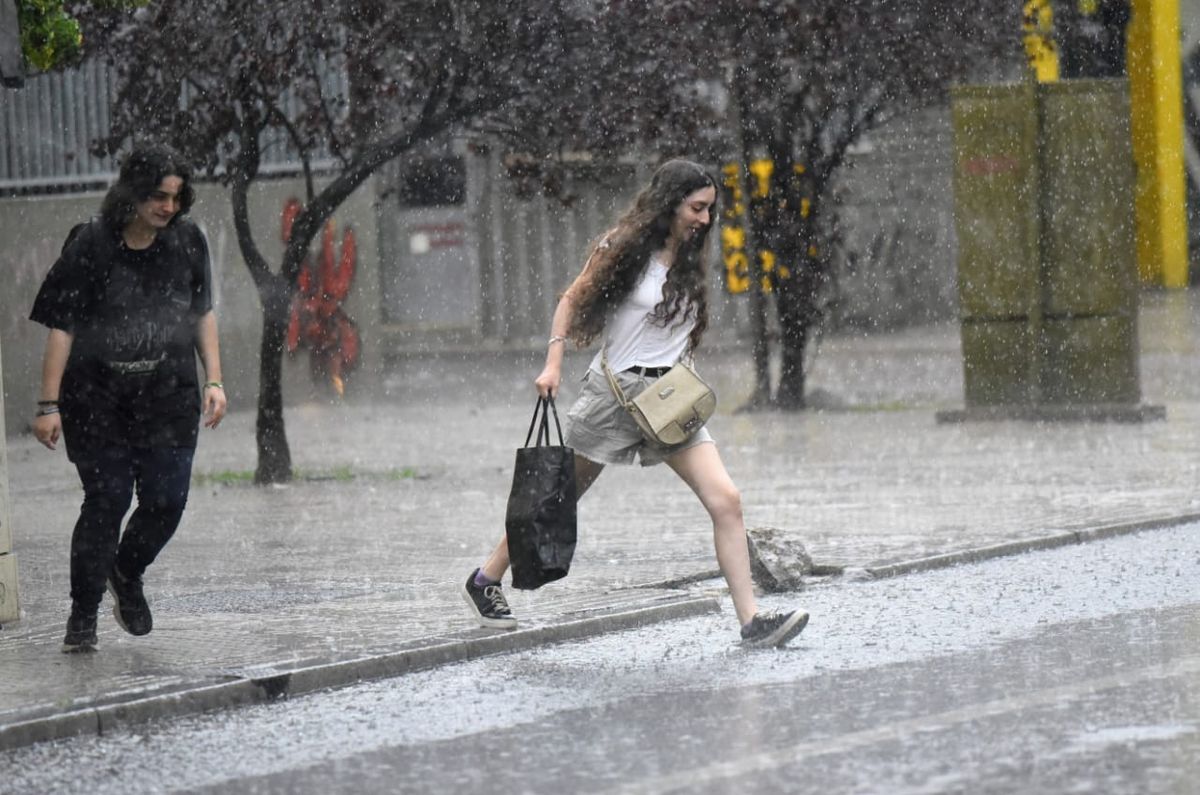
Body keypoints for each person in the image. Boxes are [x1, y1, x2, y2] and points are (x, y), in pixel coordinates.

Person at [461, 159, 809, 648]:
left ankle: (751, 622)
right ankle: (485, 580)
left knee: (726, 501)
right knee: (557, 500)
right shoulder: (623, 247)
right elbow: (570, 300)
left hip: (671, 401)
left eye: (709, 210)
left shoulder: (689, 257)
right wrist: (553, 365)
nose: (704, 220)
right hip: (616, 397)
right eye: (696, 208)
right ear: (670, 202)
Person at [29, 144, 227, 653]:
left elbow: (202, 313)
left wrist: (215, 381)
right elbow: (62, 325)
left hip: (169, 399)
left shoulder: (187, 242)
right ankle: (83, 616)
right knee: (107, 500)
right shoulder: (91, 244)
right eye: (159, 196)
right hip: (98, 402)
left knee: (166, 501)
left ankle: (126, 569)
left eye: (177, 197)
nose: (169, 207)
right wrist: (48, 405)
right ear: (133, 193)